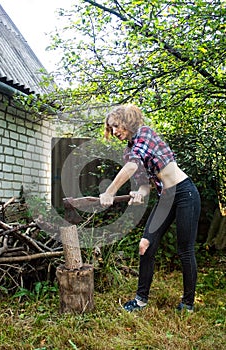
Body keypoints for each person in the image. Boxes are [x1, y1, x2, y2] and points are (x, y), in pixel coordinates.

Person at [99, 104, 201, 312]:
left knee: (185, 250)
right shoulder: (129, 151)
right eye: (111, 128)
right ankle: (140, 300)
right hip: (165, 197)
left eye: (116, 126)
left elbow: (131, 167)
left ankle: (188, 304)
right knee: (145, 245)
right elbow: (145, 184)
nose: (115, 131)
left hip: (184, 193)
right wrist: (139, 194)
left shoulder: (145, 134)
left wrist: (110, 191)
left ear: (127, 122)